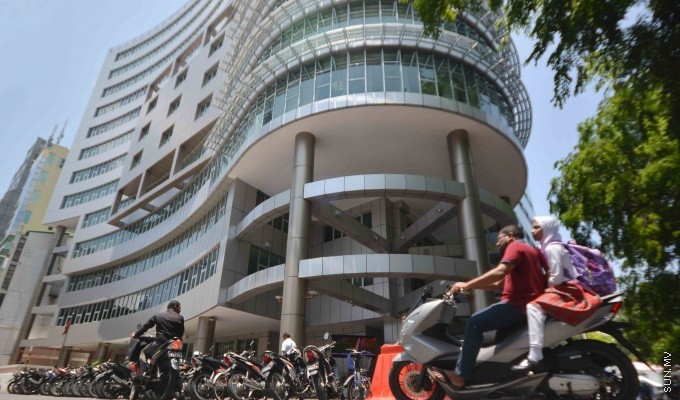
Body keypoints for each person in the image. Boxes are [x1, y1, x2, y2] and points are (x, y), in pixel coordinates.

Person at [429, 225, 547, 389]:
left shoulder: (515, 246)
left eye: (499, 238)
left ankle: (459, 376)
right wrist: (469, 286)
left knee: (474, 323)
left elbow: (500, 272)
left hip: (516, 305)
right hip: (525, 306)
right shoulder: (528, 250)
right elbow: (498, 283)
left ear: (510, 236)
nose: (497, 243)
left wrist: (467, 284)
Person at [512, 216, 602, 371]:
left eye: (536, 227)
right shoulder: (547, 247)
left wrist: (546, 286)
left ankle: (535, 354)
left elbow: (557, 277)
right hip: (565, 287)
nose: (532, 231)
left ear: (548, 229)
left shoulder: (552, 248)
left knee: (533, 307)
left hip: (568, 289)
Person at [131, 300, 185, 376]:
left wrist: (136, 334)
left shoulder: (158, 316)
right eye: (179, 307)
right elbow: (181, 333)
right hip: (174, 343)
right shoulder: (180, 318)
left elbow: (145, 327)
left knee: (143, 352)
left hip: (160, 342)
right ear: (175, 306)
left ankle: (142, 374)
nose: (180, 309)